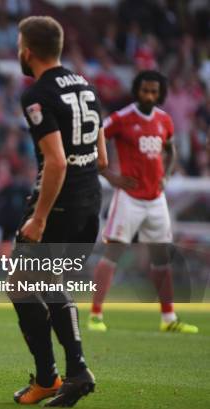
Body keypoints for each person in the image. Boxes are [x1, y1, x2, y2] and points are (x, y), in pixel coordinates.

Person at [9, 16, 108, 406]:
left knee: (25, 283)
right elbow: (100, 157)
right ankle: (60, 375)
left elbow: (57, 161)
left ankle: (67, 373)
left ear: (27, 51)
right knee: (40, 283)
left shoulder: (37, 94)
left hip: (61, 201)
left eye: (19, 45)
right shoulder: (86, 85)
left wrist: (41, 217)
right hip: (90, 200)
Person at [88, 70, 198, 334]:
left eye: (154, 91)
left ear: (160, 93)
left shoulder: (164, 120)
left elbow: (169, 149)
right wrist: (110, 175)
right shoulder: (122, 118)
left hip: (155, 198)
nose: (149, 95)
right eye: (145, 90)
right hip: (129, 198)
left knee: (162, 257)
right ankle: (95, 315)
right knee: (113, 253)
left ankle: (168, 318)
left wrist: (166, 175)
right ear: (136, 90)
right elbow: (95, 139)